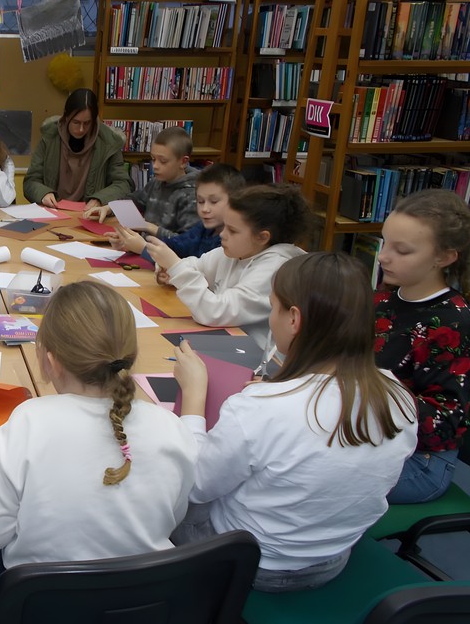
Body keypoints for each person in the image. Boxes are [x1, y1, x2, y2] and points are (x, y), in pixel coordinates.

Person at [172, 252, 418, 592]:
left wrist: (194, 398)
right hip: (331, 558)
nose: (272, 318)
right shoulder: (398, 395)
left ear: (294, 319)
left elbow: (196, 484)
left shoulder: (262, 407)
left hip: (254, 564)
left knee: (161, 490)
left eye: (274, 308)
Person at [0, 281, 197, 582]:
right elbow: (172, 521)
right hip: (143, 602)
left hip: (42, 604)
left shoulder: (27, 423)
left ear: (50, 362)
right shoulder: (172, 428)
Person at [374, 189, 470, 503]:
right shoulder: (383, 298)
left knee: (306, 472)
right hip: (372, 438)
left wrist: (365, 389)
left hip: (421, 462)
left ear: (444, 258)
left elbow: (440, 426)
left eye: (402, 250)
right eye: (384, 242)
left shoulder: (454, 324)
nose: (383, 257)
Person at [146, 184, 310, 352]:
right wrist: (170, 271)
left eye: (232, 230)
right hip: (229, 342)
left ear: (262, 237)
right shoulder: (237, 251)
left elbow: (215, 312)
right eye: (224, 226)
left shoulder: (275, 269)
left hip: (257, 357)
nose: (223, 234)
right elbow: (195, 265)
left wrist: (175, 267)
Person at [107, 163, 245, 263]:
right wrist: (129, 242)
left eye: (214, 202)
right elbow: (173, 246)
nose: (205, 209)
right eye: (200, 201)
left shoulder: (229, 243)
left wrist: (142, 248)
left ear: (236, 201)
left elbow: (192, 271)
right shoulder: (202, 228)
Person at [23, 88, 131, 212]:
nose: (81, 129)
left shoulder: (109, 143)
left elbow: (123, 184)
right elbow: (30, 181)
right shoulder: (50, 137)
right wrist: (43, 194)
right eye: (76, 122)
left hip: (89, 214)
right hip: (54, 212)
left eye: (87, 123)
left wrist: (100, 199)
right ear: (66, 117)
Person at [85, 126, 199, 229]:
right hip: (144, 247)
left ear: (183, 162)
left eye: (163, 161)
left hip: (164, 251)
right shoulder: (156, 183)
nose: (155, 166)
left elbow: (187, 243)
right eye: (153, 159)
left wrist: (148, 229)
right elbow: (135, 199)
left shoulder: (192, 196)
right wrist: (108, 208)